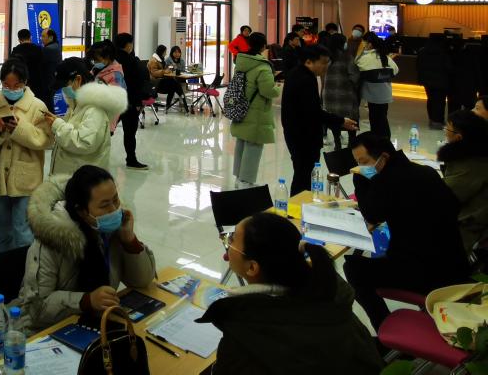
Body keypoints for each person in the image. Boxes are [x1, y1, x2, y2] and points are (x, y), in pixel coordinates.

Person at [200, 212, 382, 374]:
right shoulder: (328, 293)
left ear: (252, 267)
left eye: (231, 239)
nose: (227, 243)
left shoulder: (245, 332)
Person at [345, 131, 469, 331]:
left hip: (425, 273)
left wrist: (359, 180)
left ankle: (384, 327)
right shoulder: (427, 172)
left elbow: (371, 214)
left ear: (384, 157)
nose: (361, 168)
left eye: (364, 162)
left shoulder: (386, 181)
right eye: (358, 163)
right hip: (456, 266)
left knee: (353, 268)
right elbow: (454, 206)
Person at [16, 166, 156, 333]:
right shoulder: (50, 241)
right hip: (47, 331)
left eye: (115, 200)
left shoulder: (111, 230)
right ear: (82, 211)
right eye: (104, 205)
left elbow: (142, 281)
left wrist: (130, 241)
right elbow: (36, 309)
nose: (114, 210)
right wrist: (85, 301)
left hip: (95, 323)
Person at [0, 58, 53, 252]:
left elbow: (45, 140)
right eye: (6, 85)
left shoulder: (38, 106)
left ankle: (24, 270)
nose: (11, 89)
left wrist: (19, 128)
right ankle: (5, 268)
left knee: (23, 233)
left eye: (16, 85)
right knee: (2, 233)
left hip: (27, 180)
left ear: (25, 83)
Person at [280, 45, 357, 195]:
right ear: (309, 61)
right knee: (303, 176)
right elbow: (313, 112)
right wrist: (340, 121)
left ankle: (301, 203)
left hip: (296, 133)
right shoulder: (304, 79)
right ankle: (298, 205)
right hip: (303, 136)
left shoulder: (298, 73)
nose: (326, 66)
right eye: (323, 62)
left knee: (303, 174)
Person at [46, 58, 125, 176]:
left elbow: (84, 143)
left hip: (83, 180)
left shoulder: (95, 109)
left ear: (78, 79)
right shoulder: (77, 104)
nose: (63, 90)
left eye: (64, 85)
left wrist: (58, 125)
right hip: (72, 176)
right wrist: (57, 123)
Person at [230, 32, 278, 189]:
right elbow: (267, 90)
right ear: (263, 46)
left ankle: (239, 178)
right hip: (256, 110)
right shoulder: (263, 67)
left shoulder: (241, 63)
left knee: (241, 142)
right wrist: (277, 88)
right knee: (254, 145)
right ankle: (246, 181)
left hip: (241, 107)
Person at [437, 110, 488, 252]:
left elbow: (441, 197)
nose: (445, 132)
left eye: (447, 129)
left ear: (458, 137)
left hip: (467, 234)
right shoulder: (475, 156)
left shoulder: (472, 166)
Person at [113, 32, 148, 169]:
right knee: (129, 133)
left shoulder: (111, 59)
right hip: (129, 102)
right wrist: (138, 102)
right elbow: (137, 84)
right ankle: (131, 159)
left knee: (107, 130)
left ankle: (94, 155)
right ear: (128, 45)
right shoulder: (132, 61)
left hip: (112, 101)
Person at [355, 31, 399, 138]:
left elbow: (356, 65)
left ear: (369, 44)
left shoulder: (365, 58)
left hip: (373, 96)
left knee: (376, 121)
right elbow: (396, 70)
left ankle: (382, 142)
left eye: (363, 42)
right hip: (385, 94)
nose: (362, 45)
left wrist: (359, 52)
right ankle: (383, 140)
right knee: (382, 118)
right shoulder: (385, 57)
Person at [322, 32, 360, 150]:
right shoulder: (346, 57)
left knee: (334, 120)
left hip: (329, 95)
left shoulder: (326, 57)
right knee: (351, 120)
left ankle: (337, 144)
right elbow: (354, 76)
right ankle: (351, 145)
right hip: (345, 95)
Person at [417, 34, 452, 129]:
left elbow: (418, 66)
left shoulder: (422, 51)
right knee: (440, 101)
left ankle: (432, 119)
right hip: (441, 81)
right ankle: (438, 121)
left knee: (431, 99)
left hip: (427, 81)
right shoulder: (444, 52)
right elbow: (448, 67)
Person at [10, 28, 47, 102]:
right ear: (30, 38)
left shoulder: (16, 50)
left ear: (19, 40)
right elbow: (44, 66)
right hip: (37, 84)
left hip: (22, 84)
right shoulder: (38, 49)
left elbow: (12, 67)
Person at [161, 45, 190, 112]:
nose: (177, 54)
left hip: (180, 79)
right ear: (172, 53)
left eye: (179, 52)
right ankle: (183, 104)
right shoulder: (168, 60)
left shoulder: (182, 61)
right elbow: (166, 71)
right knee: (174, 86)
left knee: (178, 85)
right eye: (175, 52)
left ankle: (181, 102)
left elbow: (183, 71)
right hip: (170, 80)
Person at [40, 28, 63, 102]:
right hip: (54, 81)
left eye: (43, 36)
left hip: (48, 84)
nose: (41, 39)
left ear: (51, 37)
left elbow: (40, 66)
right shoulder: (56, 46)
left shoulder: (48, 49)